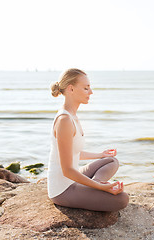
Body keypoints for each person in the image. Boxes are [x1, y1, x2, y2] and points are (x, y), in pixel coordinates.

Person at [47, 68, 129, 211]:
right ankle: (95, 186)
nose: (91, 92)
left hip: (73, 178)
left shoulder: (72, 116)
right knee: (122, 199)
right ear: (71, 89)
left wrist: (101, 154)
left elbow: (74, 152)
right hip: (63, 188)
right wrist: (101, 187)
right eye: (86, 88)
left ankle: (93, 185)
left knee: (111, 161)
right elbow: (67, 171)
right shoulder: (65, 120)